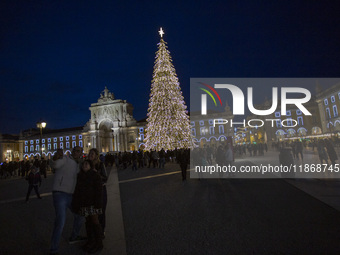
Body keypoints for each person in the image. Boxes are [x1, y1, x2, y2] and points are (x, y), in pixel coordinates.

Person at [49, 147, 85, 255]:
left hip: (71, 195)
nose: (75, 152)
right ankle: (54, 249)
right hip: (59, 193)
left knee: (80, 215)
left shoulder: (79, 165)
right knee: (60, 221)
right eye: (74, 150)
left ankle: (74, 236)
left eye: (78, 151)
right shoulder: (65, 159)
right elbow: (54, 165)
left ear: (81, 154)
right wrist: (55, 157)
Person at [72, 160, 103, 253]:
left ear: (90, 165)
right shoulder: (80, 176)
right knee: (88, 222)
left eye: (87, 164)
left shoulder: (95, 175)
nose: (84, 165)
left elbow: (99, 190)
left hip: (93, 203)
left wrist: (98, 203)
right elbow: (77, 191)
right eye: (83, 164)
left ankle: (99, 243)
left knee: (95, 222)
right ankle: (91, 241)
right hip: (84, 203)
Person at [88, 148, 108, 238]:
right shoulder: (86, 165)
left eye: (92, 153)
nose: (90, 155)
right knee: (91, 214)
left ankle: (101, 230)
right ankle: (93, 233)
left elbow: (105, 178)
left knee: (101, 212)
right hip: (90, 193)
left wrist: (97, 174)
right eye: (90, 153)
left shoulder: (100, 164)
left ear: (96, 155)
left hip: (100, 192)